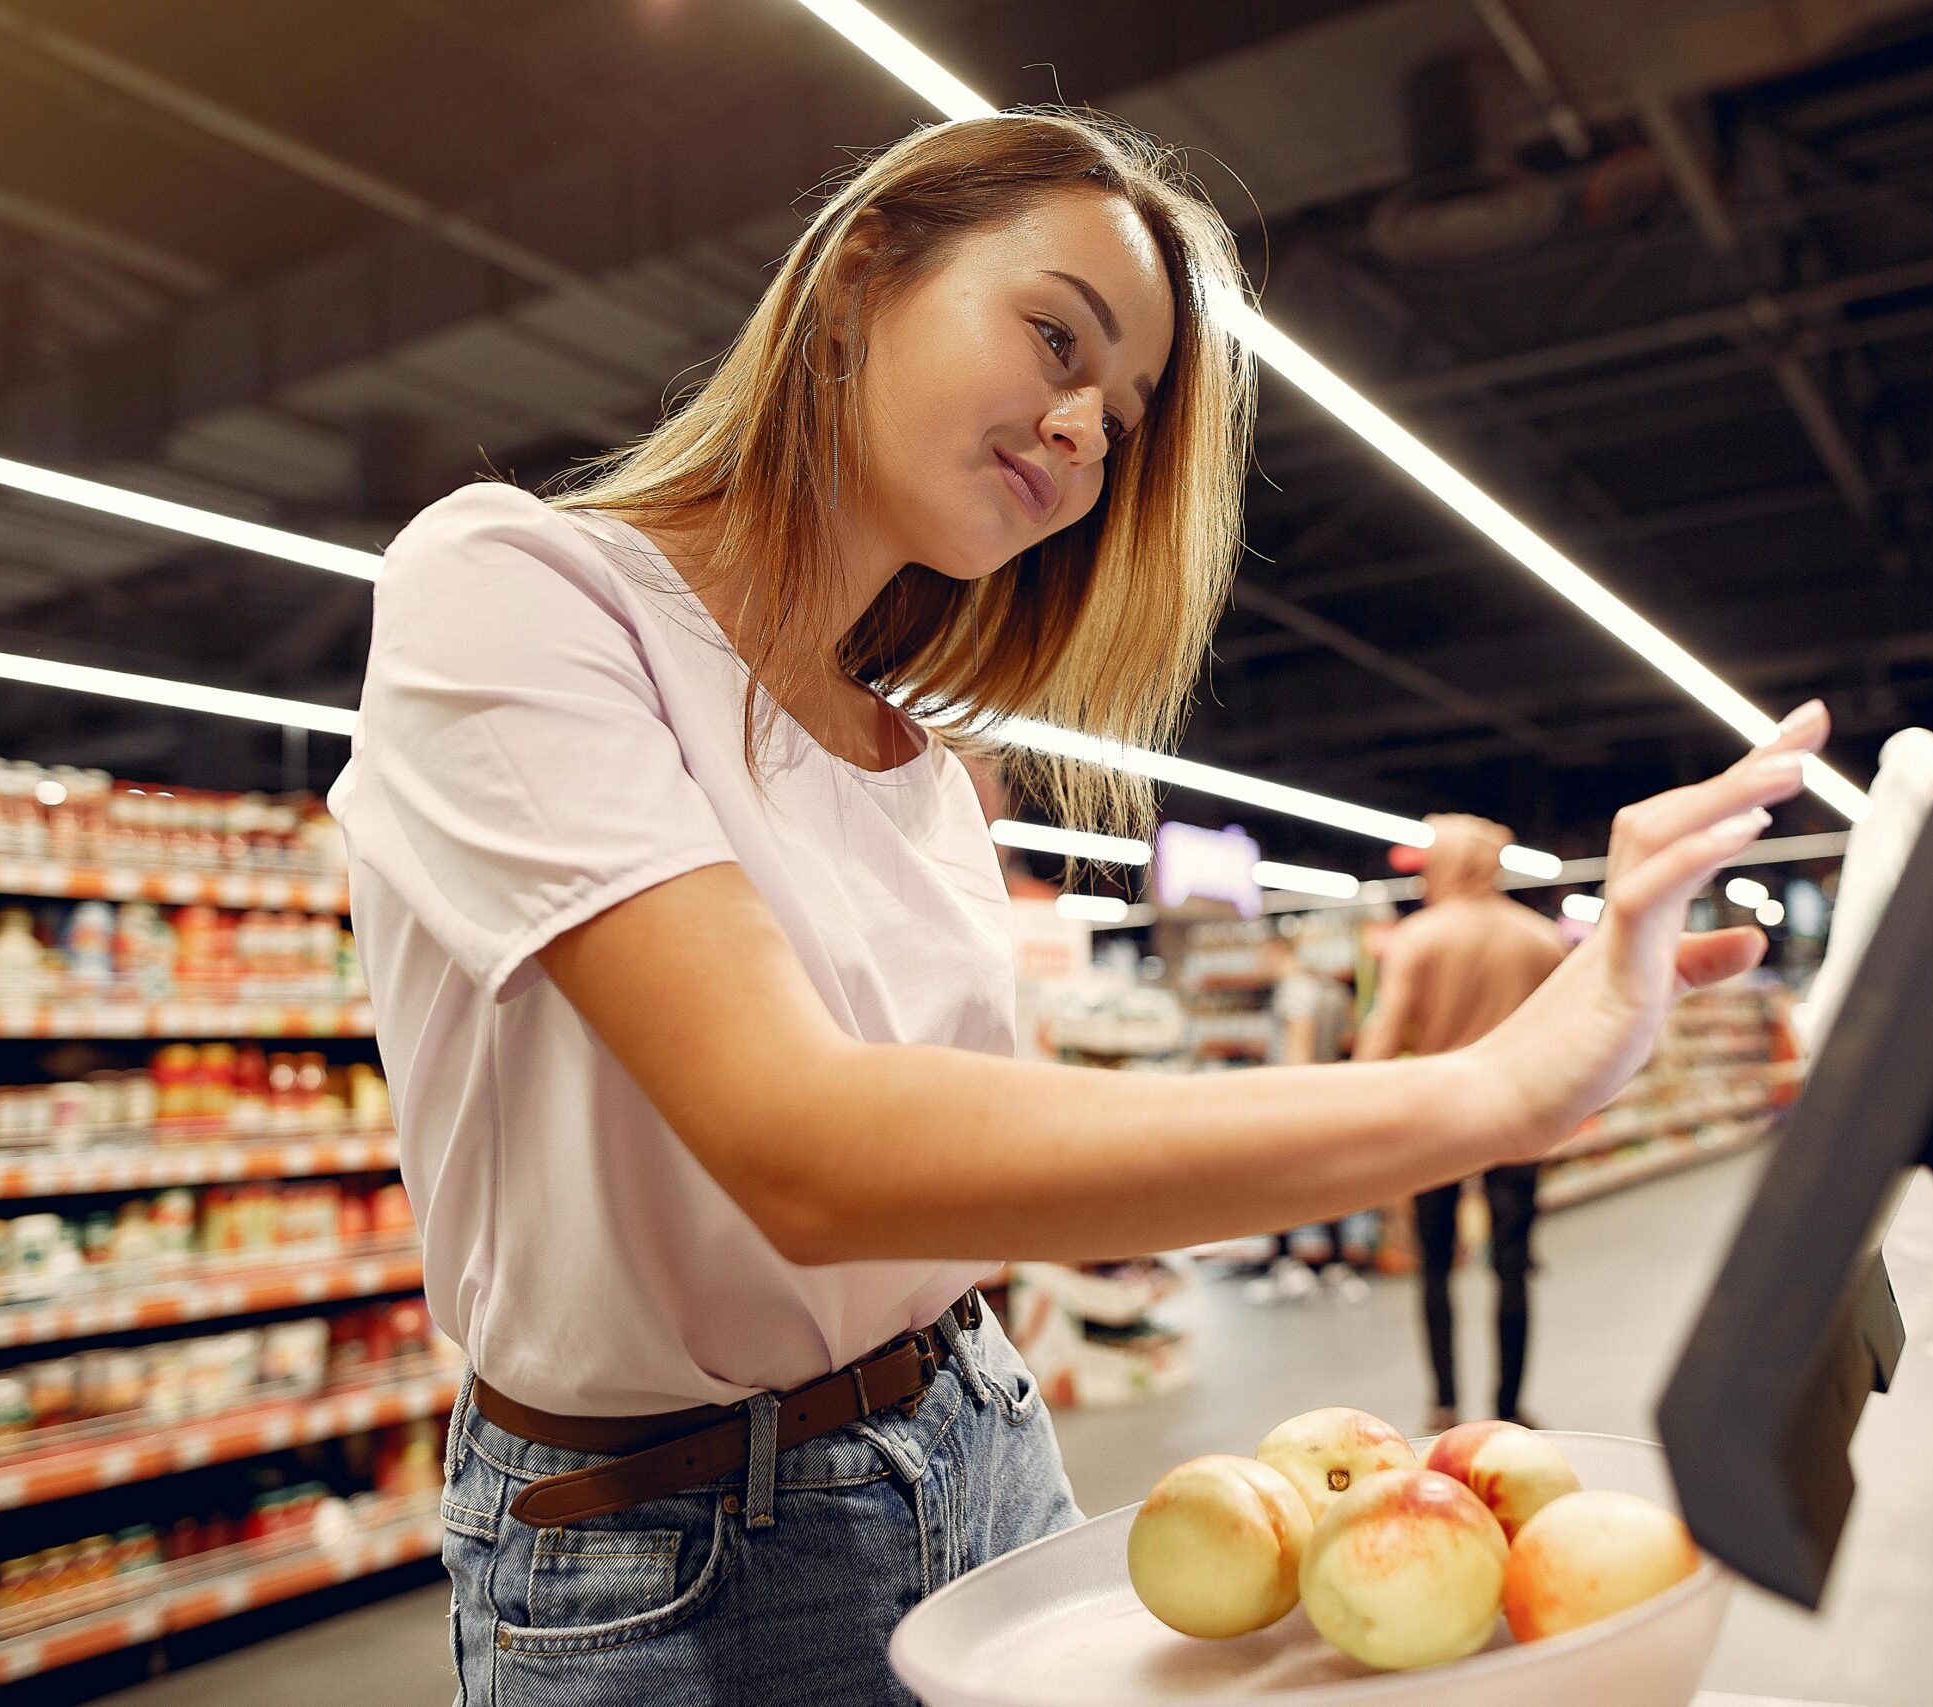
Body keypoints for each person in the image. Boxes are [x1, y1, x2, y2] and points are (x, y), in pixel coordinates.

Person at [330, 109, 1825, 1706]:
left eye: (1120, 416)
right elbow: (805, 1150)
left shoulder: (919, 767)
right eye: (1057, 336)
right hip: (668, 1541)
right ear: (860, 279)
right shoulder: (515, 588)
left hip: (977, 1435)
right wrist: (1489, 1089)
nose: (1081, 429)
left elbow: (973, 1166)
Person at [1350, 816, 1570, 1431]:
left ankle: (1444, 1404)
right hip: (1518, 1119)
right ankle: (1509, 1407)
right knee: (1514, 1267)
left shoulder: (1417, 939)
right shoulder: (1540, 939)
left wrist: (1353, 1115)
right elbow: (1564, 1038)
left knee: (1435, 1267)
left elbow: (1382, 1038)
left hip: (1436, 1122)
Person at [1247, 932, 1369, 1306]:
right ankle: (1335, 1266)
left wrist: (1286, 1103)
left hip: (1293, 1101)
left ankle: (1288, 1266)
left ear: (1275, 952)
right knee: (1327, 1183)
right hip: (1322, 1097)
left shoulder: (1294, 989)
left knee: (1280, 1184)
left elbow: (1297, 1047)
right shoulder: (1324, 986)